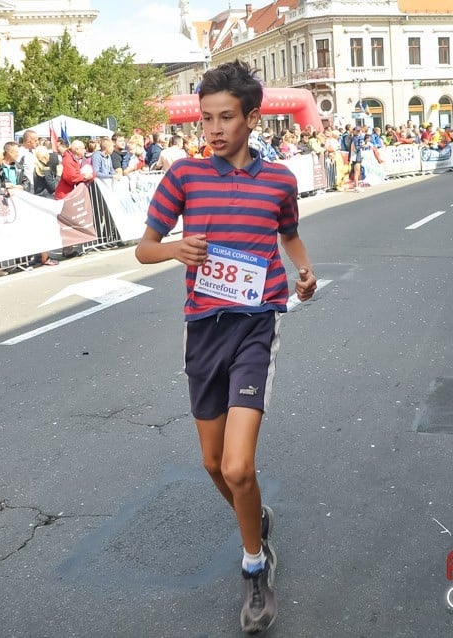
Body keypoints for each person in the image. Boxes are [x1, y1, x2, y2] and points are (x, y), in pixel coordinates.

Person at [134, 59, 317, 635]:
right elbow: (144, 248)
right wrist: (175, 251)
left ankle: (254, 566)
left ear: (252, 118)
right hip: (203, 328)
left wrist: (304, 273)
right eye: (206, 118)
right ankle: (255, 519)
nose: (213, 129)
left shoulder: (280, 180)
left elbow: (289, 235)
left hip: (256, 323)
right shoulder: (184, 177)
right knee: (214, 465)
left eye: (225, 118)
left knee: (239, 464)